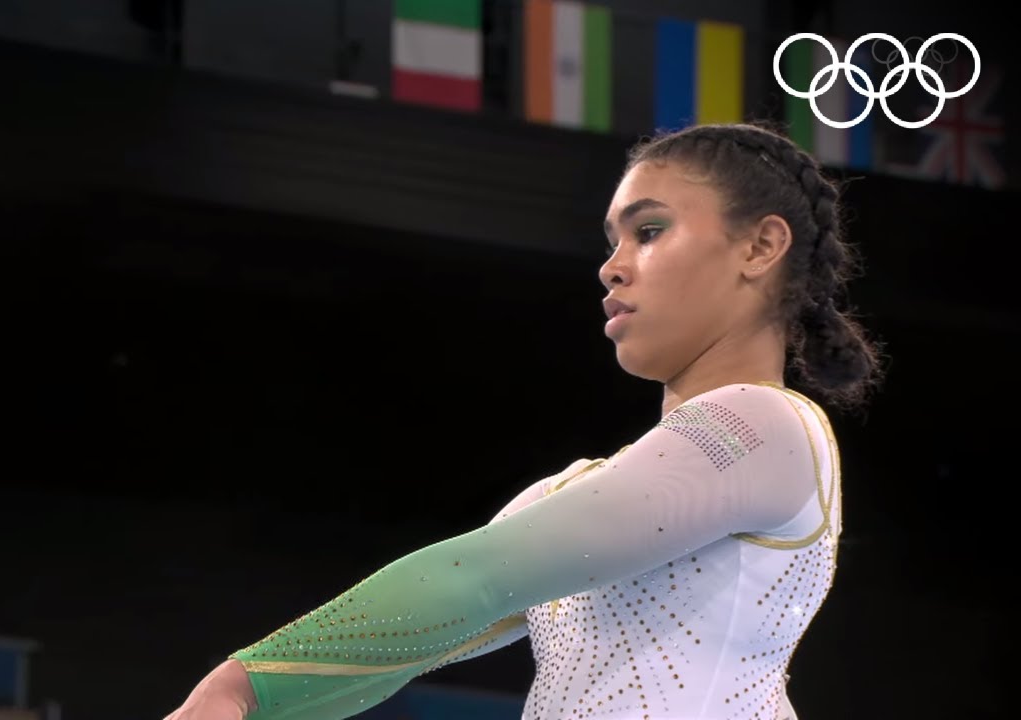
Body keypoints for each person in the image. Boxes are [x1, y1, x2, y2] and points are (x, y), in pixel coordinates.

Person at [163, 120, 885, 720]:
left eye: (649, 230)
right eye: (611, 242)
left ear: (760, 247)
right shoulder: (563, 494)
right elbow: (415, 637)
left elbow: (476, 576)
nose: (612, 267)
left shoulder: (765, 426)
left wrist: (241, 684)